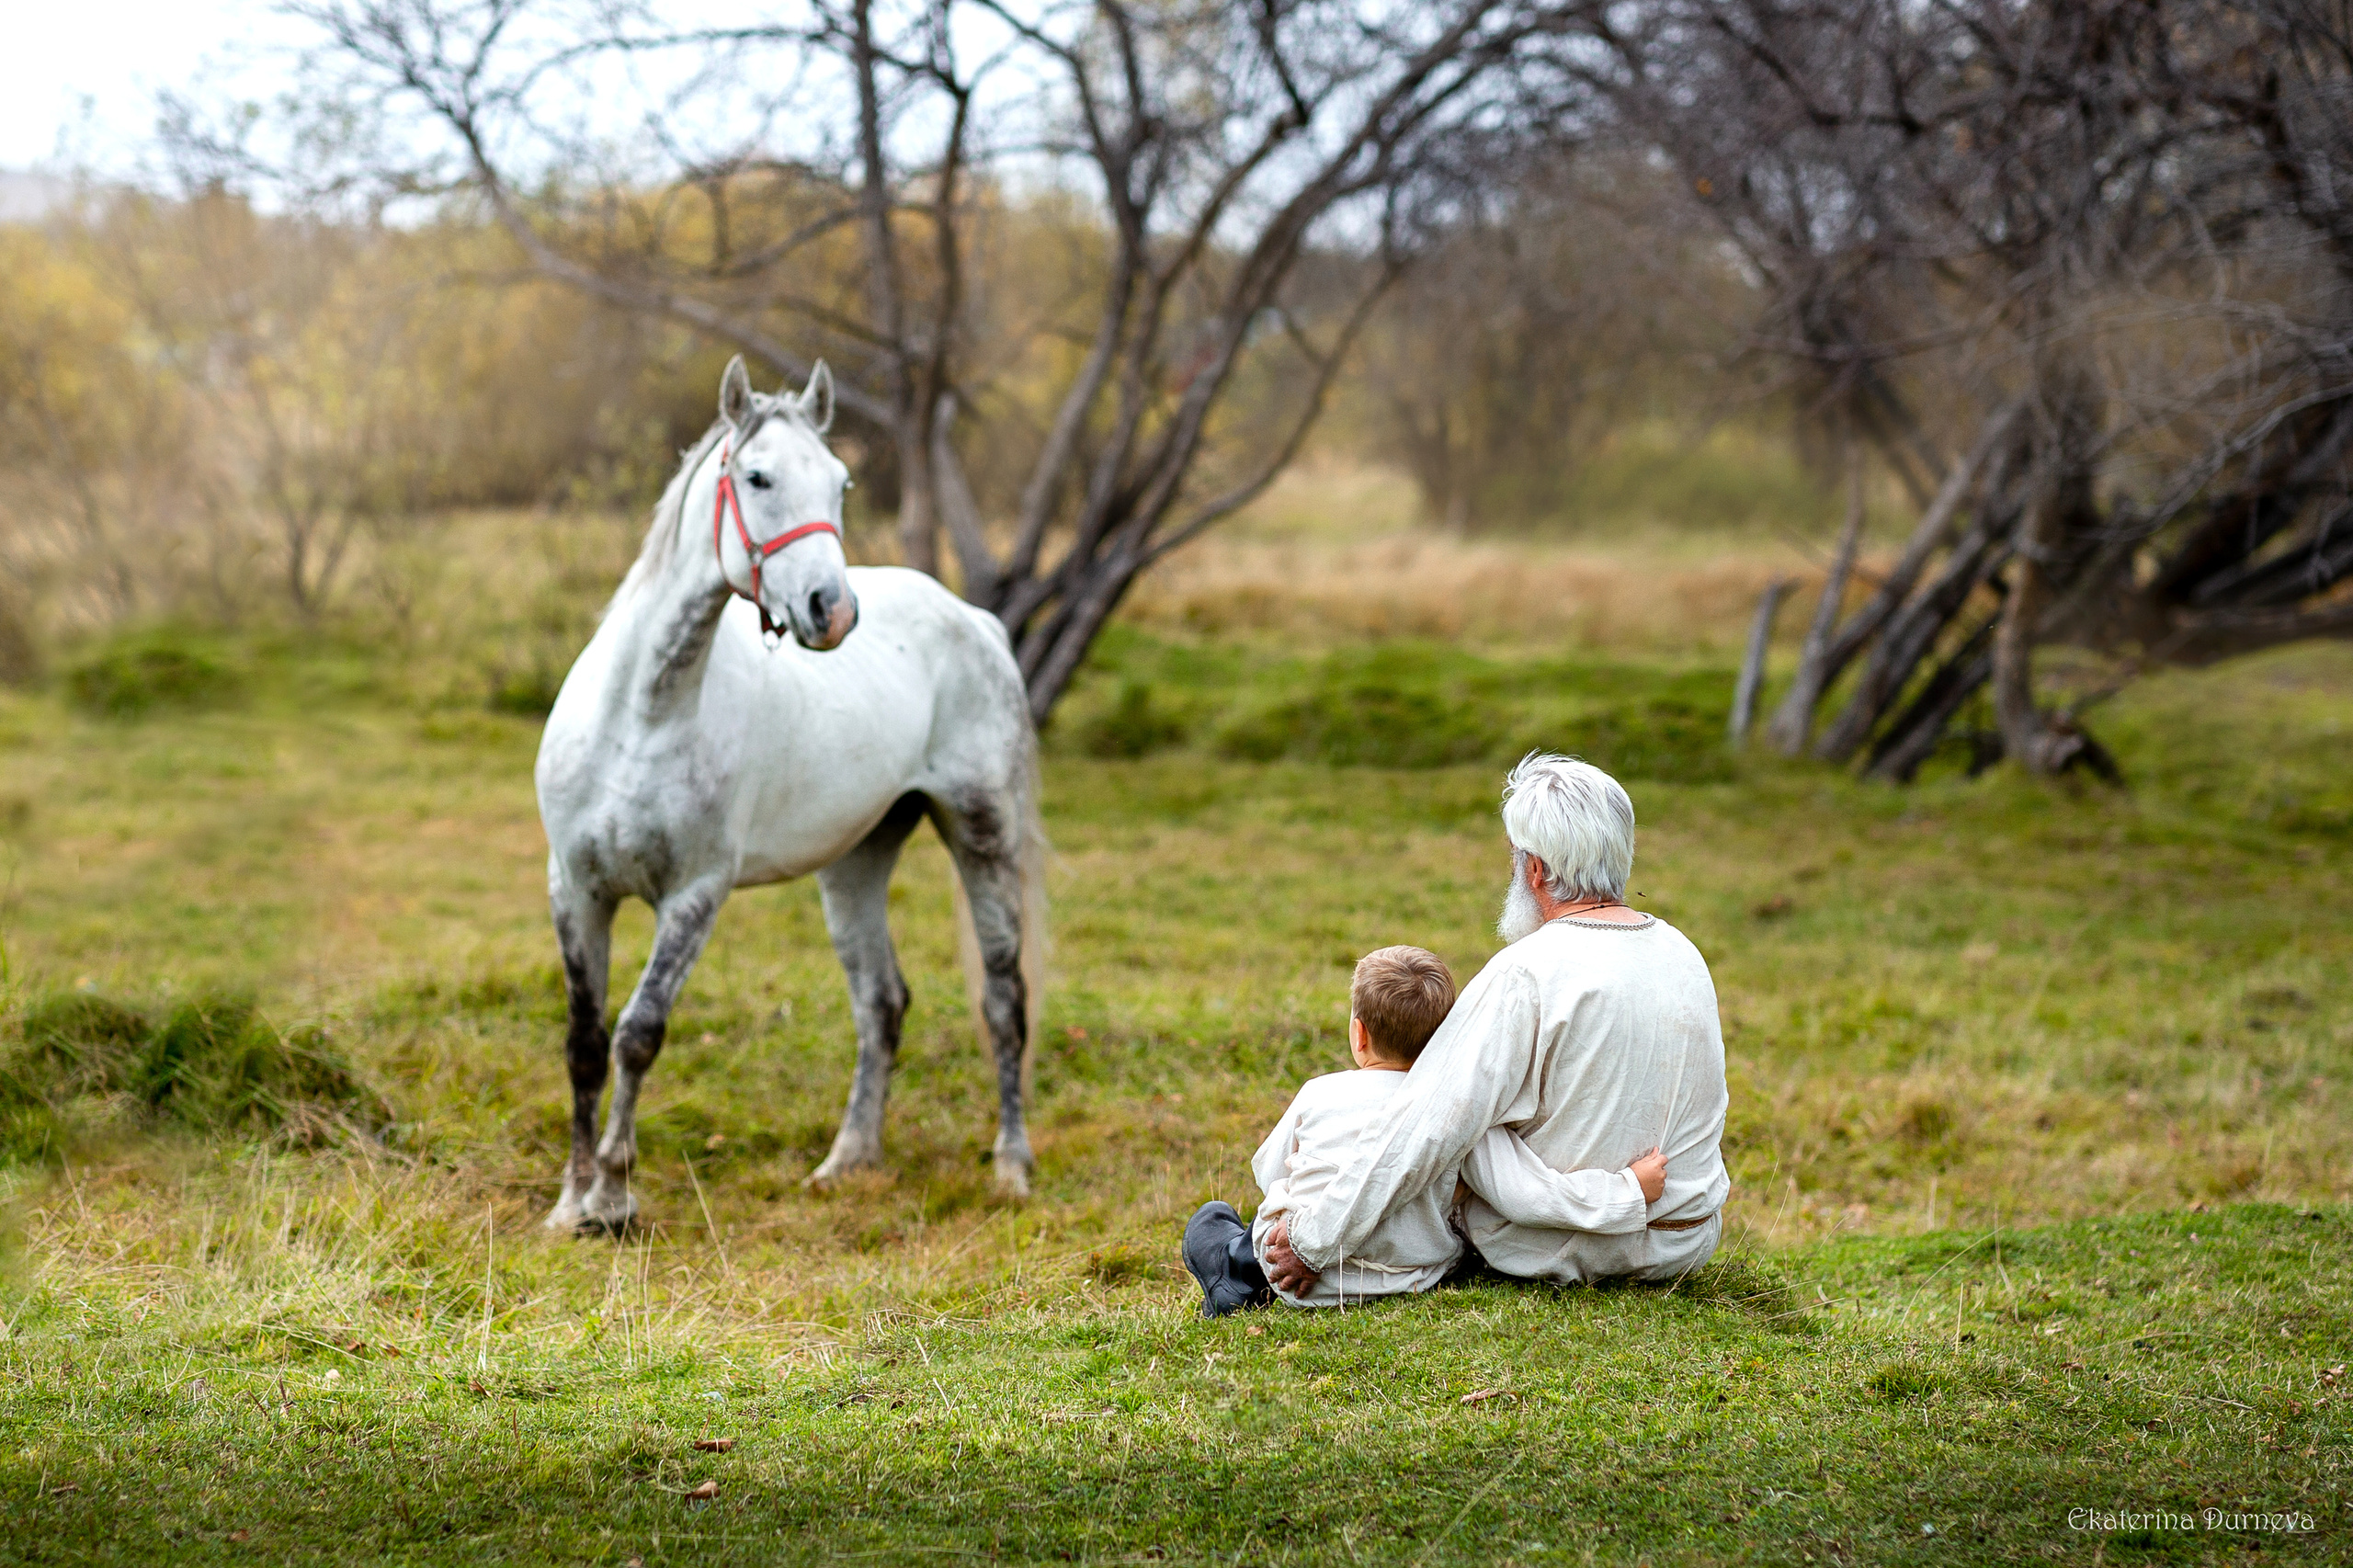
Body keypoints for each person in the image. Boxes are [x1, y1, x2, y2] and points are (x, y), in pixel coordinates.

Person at [1260, 753, 1731, 1298]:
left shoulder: (1526, 971)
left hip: (1563, 1246)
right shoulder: (1684, 952)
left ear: (1534, 870)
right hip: (1685, 1241)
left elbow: (1427, 1127)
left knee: (1464, 1111)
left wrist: (1312, 1241)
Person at [1182, 944, 1673, 1317]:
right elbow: (1528, 1193)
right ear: (1449, 1039)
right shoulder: (1464, 1116)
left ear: (1359, 1034)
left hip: (1303, 1281)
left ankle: (1235, 1264)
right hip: (1411, 1279)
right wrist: (1628, 1191)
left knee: (1227, 1212)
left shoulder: (1319, 1092)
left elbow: (1268, 1171)